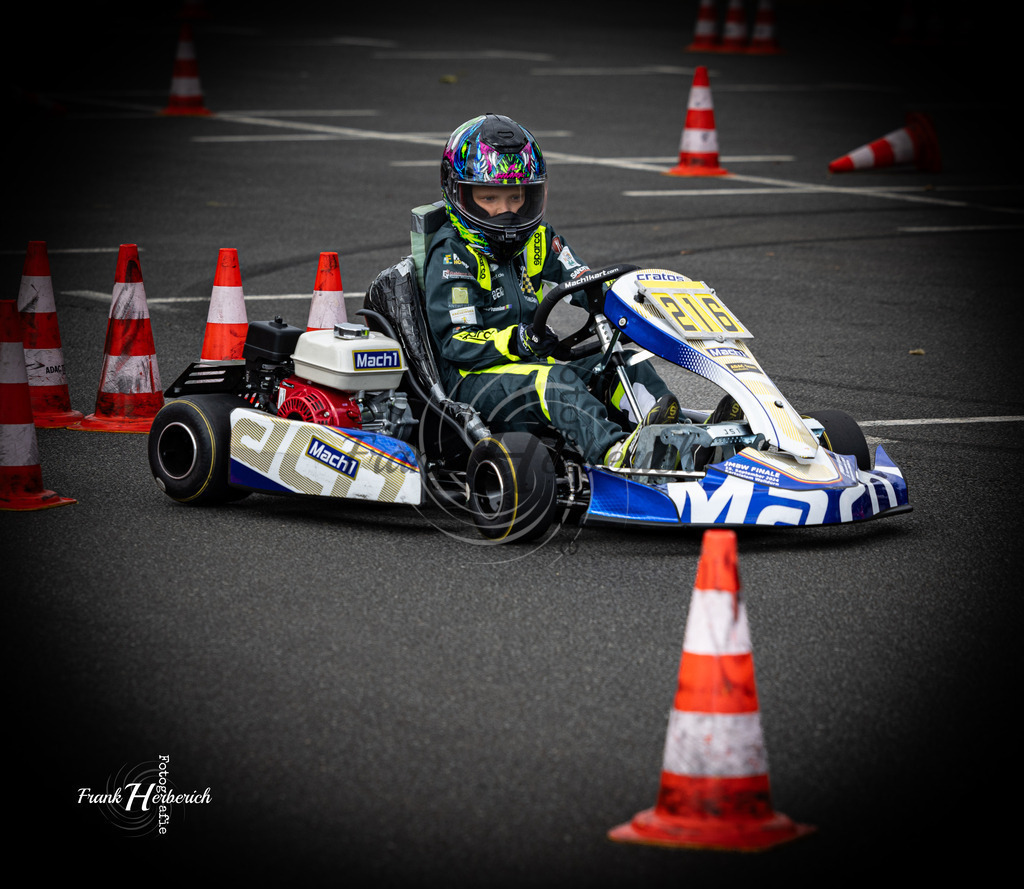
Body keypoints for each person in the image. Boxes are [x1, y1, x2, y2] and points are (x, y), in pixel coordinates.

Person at [423, 112, 680, 469]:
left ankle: (677, 436)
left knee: (617, 361)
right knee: (555, 380)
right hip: (471, 383)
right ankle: (616, 454)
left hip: (526, 367)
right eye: (490, 199)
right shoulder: (453, 253)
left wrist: (627, 301)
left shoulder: (537, 238)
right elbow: (457, 341)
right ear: (460, 194)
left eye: (515, 198)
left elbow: (583, 279)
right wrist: (519, 341)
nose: (506, 213)